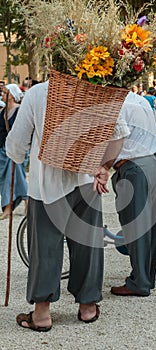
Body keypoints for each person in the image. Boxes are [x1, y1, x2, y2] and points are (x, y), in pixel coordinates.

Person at [6, 81, 124, 331]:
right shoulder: (97, 91)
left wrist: (15, 155)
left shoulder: (38, 93)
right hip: (86, 182)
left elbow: (17, 141)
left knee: (45, 247)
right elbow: (119, 133)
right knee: (88, 245)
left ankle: (41, 315)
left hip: (46, 185)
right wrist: (104, 167)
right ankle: (88, 308)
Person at [96, 91, 156, 297]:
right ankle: (147, 278)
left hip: (133, 169)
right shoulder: (140, 100)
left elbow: (116, 139)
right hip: (153, 162)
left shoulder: (114, 104)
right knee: (152, 226)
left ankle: (139, 283)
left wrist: (103, 166)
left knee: (135, 227)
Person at [0, 84, 28, 220]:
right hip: (3, 151)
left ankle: (8, 208)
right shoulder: (2, 111)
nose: (2, 95)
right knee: (5, 179)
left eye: (5, 93)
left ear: (11, 95)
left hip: (17, 150)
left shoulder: (20, 111)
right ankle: (26, 201)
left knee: (15, 178)